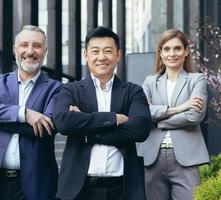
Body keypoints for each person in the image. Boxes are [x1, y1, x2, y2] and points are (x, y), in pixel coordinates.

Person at [53, 26, 152, 200]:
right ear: (86, 55)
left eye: (108, 51)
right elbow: (63, 122)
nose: (101, 57)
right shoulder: (71, 90)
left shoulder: (133, 91)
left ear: (118, 55)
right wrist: (113, 118)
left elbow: (141, 128)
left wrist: (88, 132)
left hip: (122, 189)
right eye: (95, 51)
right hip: (79, 189)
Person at [0, 25, 62, 200]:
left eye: (37, 46)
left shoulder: (56, 89)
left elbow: (46, 128)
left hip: (36, 183)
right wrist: (24, 114)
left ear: (45, 51)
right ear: (15, 49)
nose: (30, 51)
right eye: (24, 45)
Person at [136, 29, 210, 200]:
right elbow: (143, 113)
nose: (172, 53)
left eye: (177, 48)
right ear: (160, 53)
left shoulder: (196, 79)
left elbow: (194, 116)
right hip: (152, 158)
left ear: (186, 51)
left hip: (186, 158)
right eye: (166, 49)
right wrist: (180, 108)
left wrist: (156, 120)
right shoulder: (150, 81)